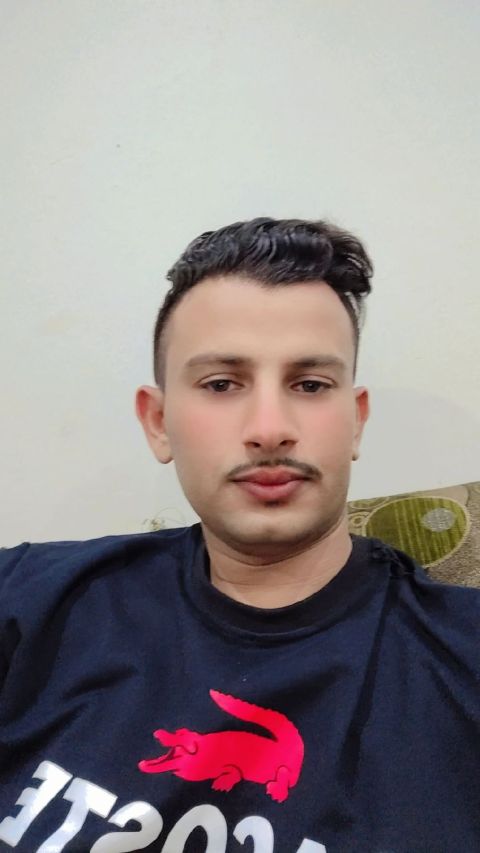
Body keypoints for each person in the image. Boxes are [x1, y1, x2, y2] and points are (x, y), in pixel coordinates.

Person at [0, 217, 479, 853]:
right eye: (222, 384)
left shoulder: (461, 659)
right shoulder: (27, 597)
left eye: (310, 384)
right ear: (158, 422)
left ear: (356, 421)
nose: (270, 428)